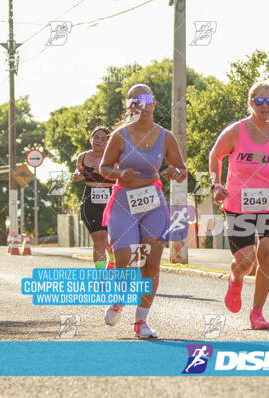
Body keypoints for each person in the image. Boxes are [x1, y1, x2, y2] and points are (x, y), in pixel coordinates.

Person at [99, 83, 187, 339]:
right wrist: (118, 173)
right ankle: (118, 300)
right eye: (134, 102)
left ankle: (141, 322)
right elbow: (104, 168)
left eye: (145, 99)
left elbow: (182, 170)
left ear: (153, 104)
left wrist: (176, 172)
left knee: (151, 264)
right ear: (129, 108)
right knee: (125, 261)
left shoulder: (166, 137)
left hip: (152, 204)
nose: (141, 105)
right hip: (124, 204)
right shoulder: (119, 136)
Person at [209, 81, 269, 330]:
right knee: (246, 260)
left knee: (268, 256)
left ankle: (257, 313)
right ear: (250, 103)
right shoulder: (237, 131)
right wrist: (216, 184)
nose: (265, 106)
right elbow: (215, 155)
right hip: (239, 205)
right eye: (259, 101)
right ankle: (236, 279)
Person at [72, 126, 116, 269]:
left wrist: (104, 172)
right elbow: (78, 172)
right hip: (90, 199)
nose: (99, 141)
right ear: (91, 139)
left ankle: (112, 262)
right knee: (99, 239)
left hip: (111, 199)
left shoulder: (113, 156)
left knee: (110, 240)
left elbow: (119, 175)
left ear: (108, 142)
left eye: (103, 139)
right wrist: (77, 176)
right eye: (96, 137)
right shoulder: (82, 157)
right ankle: (101, 277)